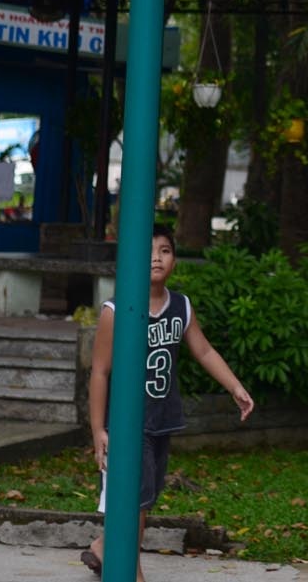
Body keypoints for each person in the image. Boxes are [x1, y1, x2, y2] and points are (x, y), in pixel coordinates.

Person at [84, 228, 254, 581]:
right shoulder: (116, 310)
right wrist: (98, 429)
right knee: (135, 500)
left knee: (146, 497)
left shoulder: (181, 306)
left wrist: (235, 386)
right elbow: (99, 371)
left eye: (165, 250)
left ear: (175, 260)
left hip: (162, 418)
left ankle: (103, 547)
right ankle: (130, 571)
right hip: (127, 423)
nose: (156, 258)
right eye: (148, 251)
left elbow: (203, 350)